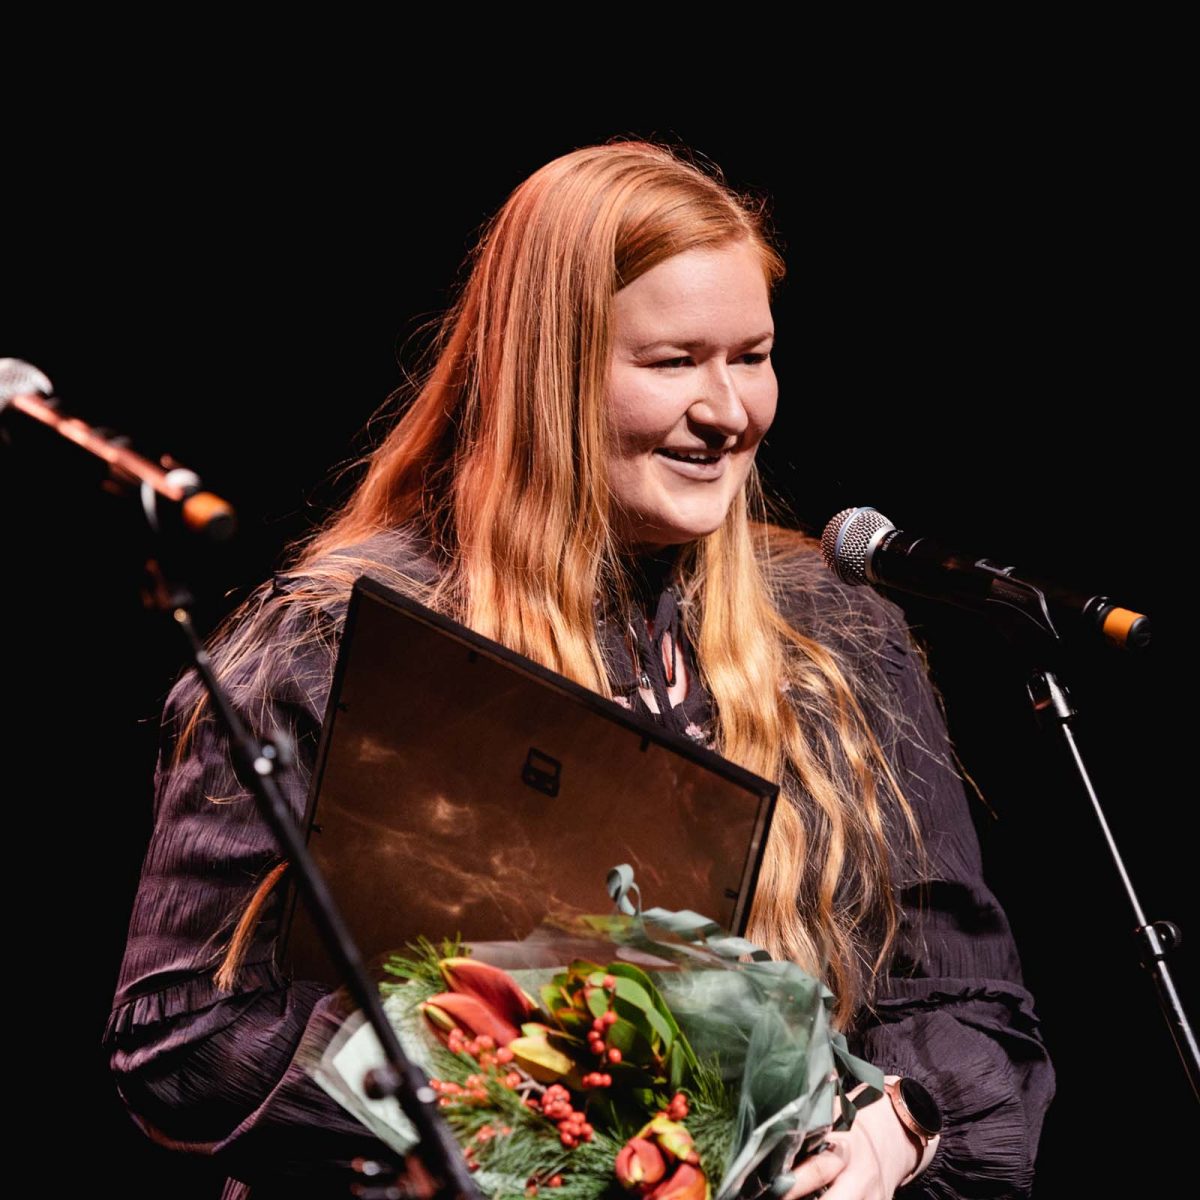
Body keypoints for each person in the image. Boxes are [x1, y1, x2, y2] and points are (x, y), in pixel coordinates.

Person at [103, 140, 1055, 1199]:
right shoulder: (338, 641)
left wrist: (891, 1137)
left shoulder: (837, 637)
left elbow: (967, 1004)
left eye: (752, 356)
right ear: (546, 371)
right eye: (673, 361)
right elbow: (185, 1032)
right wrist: (540, 1104)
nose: (729, 411)